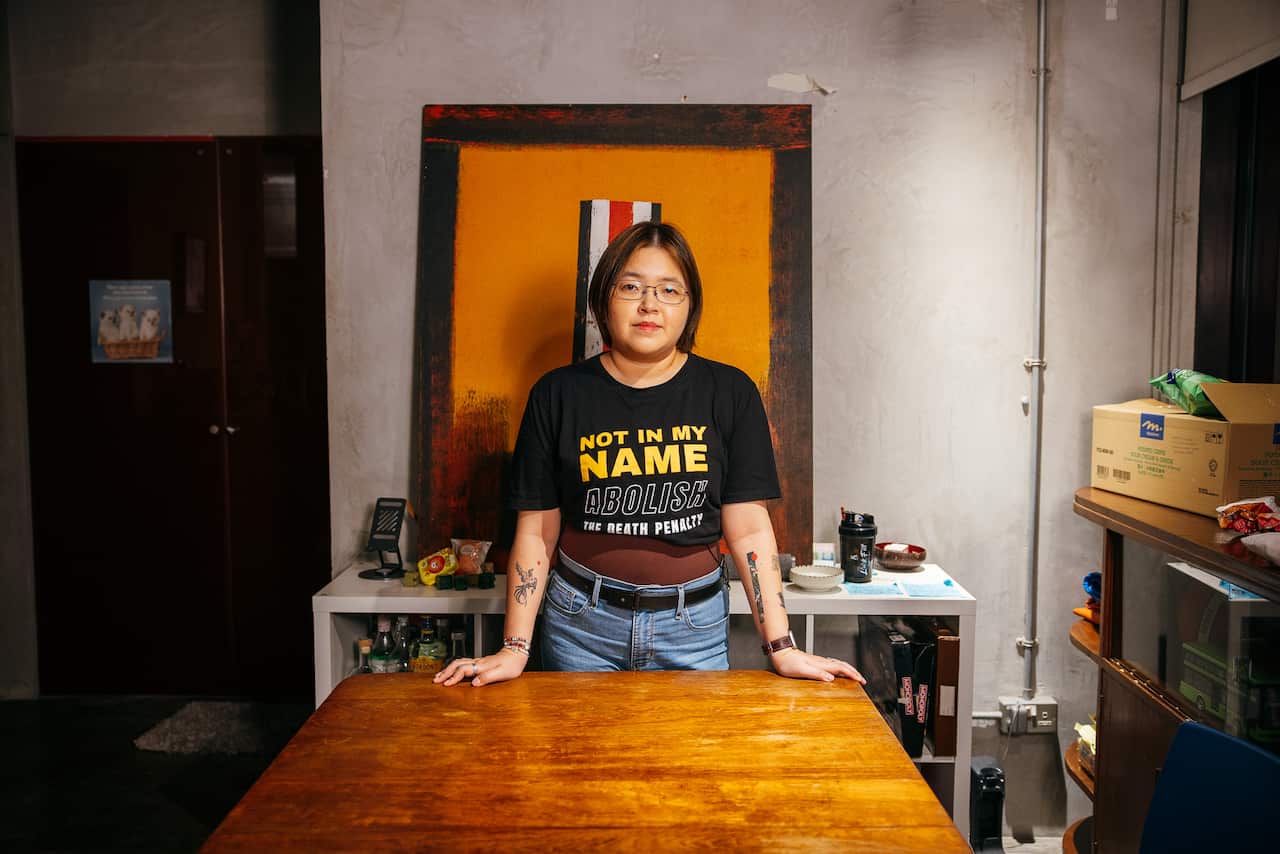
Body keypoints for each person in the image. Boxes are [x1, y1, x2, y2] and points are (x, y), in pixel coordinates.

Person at [435, 221, 864, 687]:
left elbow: (749, 530)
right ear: (604, 298)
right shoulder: (557, 394)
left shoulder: (730, 392)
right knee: (578, 739)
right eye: (631, 287)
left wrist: (782, 646)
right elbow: (537, 531)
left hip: (694, 627)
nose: (649, 304)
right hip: (580, 625)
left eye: (669, 290)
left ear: (690, 305)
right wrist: (514, 648)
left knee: (693, 740)